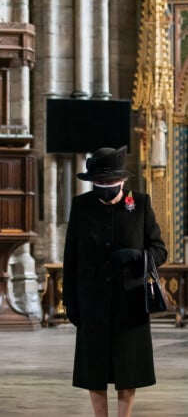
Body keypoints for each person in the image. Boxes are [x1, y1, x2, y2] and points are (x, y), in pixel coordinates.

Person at [62, 146, 167, 417]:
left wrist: (138, 256)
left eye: (109, 183)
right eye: (99, 183)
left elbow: (160, 250)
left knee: (127, 369)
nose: (105, 187)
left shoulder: (140, 204)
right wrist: (70, 302)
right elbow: (70, 257)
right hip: (92, 301)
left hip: (129, 303)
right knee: (94, 368)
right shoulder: (81, 206)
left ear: (122, 181)